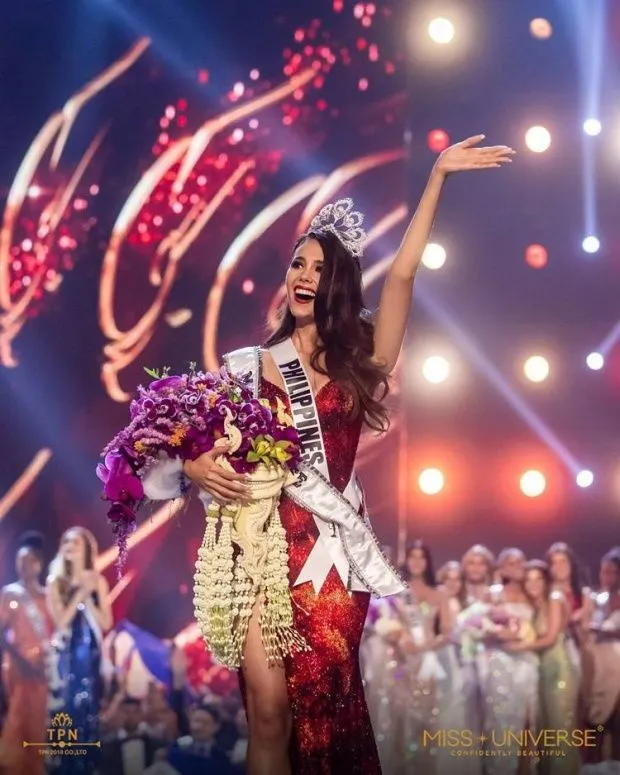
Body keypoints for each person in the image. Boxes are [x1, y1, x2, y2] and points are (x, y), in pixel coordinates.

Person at [143, 135, 514, 774]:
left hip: (329, 555)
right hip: (259, 550)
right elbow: (173, 456)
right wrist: (194, 467)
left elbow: (403, 276)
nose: (304, 277)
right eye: (297, 265)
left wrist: (437, 178)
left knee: (322, 710)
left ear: (337, 285)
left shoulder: (361, 359)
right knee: (267, 711)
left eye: (319, 269)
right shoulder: (246, 367)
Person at [47, 526, 113, 773]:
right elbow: (61, 622)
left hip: (91, 654)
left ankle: (88, 766)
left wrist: (89, 596)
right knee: (69, 709)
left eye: (75, 543)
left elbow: (106, 622)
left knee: (90, 710)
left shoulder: (98, 581)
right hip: (67, 655)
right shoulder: (55, 582)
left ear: (86, 549)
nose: (69, 546)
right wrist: (80, 593)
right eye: (66, 542)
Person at [478, 548, 538, 775]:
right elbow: (479, 626)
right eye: (511, 563)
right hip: (500, 661)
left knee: (527, 721)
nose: (517, 567)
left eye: (521, 562)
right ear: (502, 568)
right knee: (500, 718)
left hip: (526, 662)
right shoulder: (494, 594)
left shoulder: (531, 594)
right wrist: (498, 634)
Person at [517, 561, 580, 775]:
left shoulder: (554, 598)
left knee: (560, 726)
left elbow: (551, 638)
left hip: (558, 666)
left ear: (546, 581)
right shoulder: (536, 605)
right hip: (543, 667)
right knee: (546, 727)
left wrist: (518, 647)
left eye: (538, 579)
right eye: (528, 580)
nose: (533, 584)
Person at [0, 532, 53, 775]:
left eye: (28, 560)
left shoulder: (49, 596)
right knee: (20, 720)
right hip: (19, 669)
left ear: (39, 563)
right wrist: (20, 661)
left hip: (44, 669)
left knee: (41, 723)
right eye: (18, 561)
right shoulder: (10, 593)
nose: (22, 566)